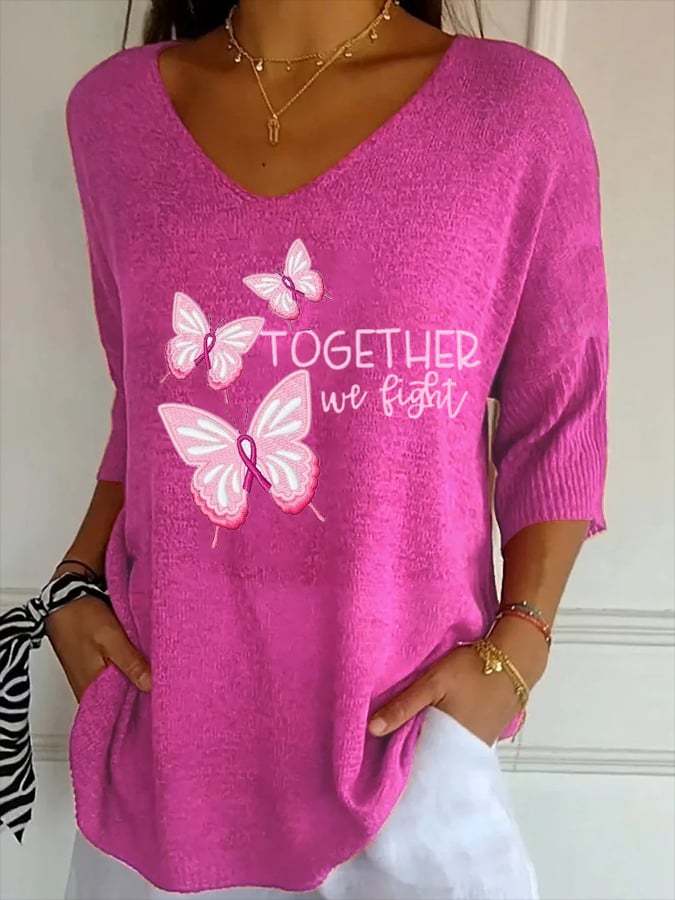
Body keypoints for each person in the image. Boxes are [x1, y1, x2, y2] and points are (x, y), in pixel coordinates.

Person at [2, 0, 611, 897]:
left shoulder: (514, 110)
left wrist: (519, 649)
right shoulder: (112, 114)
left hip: (408, 756)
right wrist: (75, 581)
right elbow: (147, 400)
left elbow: (559, 413)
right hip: (163, 750)